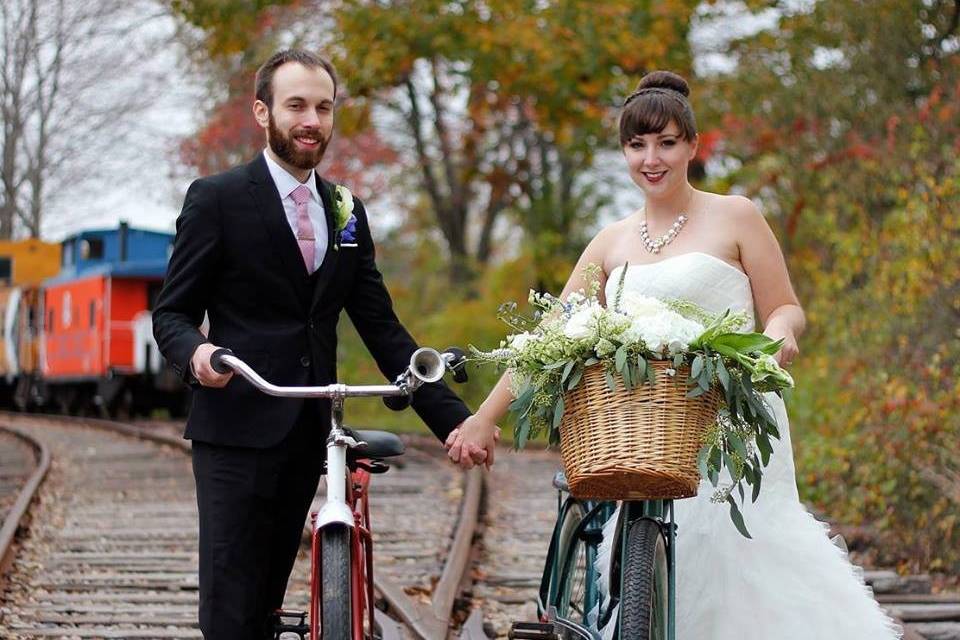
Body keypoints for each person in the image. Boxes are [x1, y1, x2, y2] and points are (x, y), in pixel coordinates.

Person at [447, 71, 902, 638]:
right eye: (636, 145)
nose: (650, 159)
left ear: (691, 144)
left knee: (737, 562)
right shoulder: (609, 240)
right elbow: (549, 337)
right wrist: (485, 418)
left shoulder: (737, 215)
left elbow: (785, 307)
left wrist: (781, 333)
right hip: (646, 424)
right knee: (656, 571)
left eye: (665, 142)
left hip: (727, 420)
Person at [152, 49, 475, 640]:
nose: (312, 120)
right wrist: (198, 355)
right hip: (236, 426)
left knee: (269, 603)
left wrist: (454, 422)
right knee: (231, 614)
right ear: (262, 111)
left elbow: (381, 328)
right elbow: (171, 313)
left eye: (324, 108)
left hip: (307, 432)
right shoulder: (216, 198)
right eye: (296, 104)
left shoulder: (347, 211)